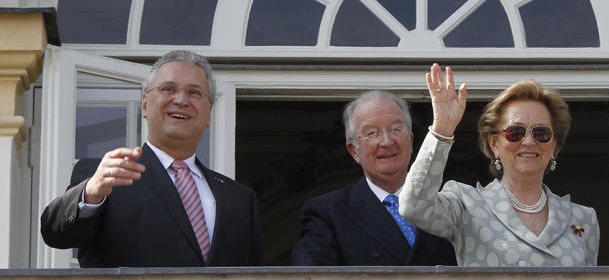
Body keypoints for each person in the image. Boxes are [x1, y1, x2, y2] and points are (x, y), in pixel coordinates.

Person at [40, 50, 263, 267]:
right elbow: (55, 233)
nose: (181, 100)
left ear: (209, 113)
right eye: (169, 89)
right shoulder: (105, 177)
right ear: (145, 105)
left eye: (194, 93)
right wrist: (90, 193)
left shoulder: (241, 199)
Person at [399, 64, 599, 266]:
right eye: (515, 133)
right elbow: (414, 207)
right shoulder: (467, 205)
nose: (529, 142)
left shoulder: (583, 218)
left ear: (554, 145)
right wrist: (442, 130)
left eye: (541, 133)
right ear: (494, 144)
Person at [290, 90, 457, 266]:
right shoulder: (328, 212)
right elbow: (308, 273)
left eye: (396, 129)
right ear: (354, 151)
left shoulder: (450, 204)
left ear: (410, 140)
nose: (386, 142)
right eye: (371, 133)